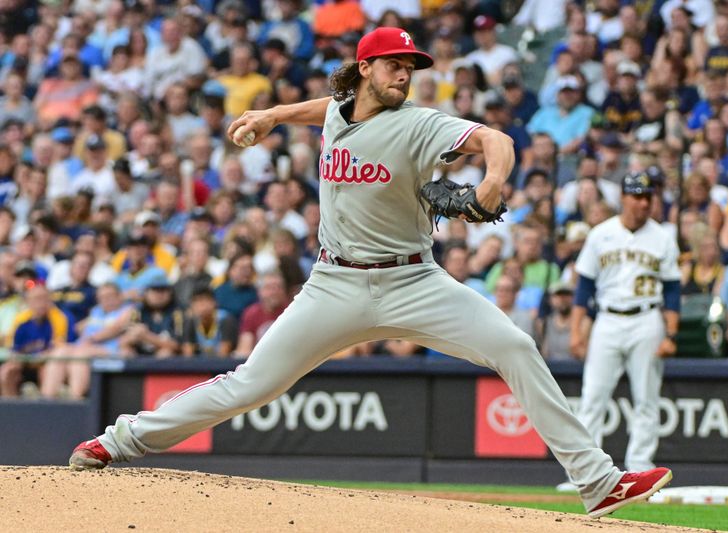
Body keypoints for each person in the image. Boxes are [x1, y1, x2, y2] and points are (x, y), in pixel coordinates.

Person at [69, 27, 671, 519]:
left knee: (515, 345)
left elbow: (496, 138)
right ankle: (119, 440)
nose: (404, 75)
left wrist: (490, 182)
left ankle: (598, 482)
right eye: (391, 65)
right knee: (250, 384)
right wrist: (274, 115)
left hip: (415, 282)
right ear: (364, 70)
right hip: (334, 285)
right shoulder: (337, 113)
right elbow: (325, 112)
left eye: (409, 66)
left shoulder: (417, 123)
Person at [570, 172, 681, 475]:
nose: (644, 202)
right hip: (606, 318)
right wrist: (576, 332)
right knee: (593, 396)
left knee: (647, 398)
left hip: (647, 318)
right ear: (623, 197)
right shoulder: (600, 234)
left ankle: (640, 468)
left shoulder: (662, 237)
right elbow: (584, 289)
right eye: (637, 196)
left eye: (648, 196)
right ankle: (586, 473)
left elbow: (672, 291)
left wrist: (671, 333)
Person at [0, 283, 77, 398]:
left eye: (44, 298)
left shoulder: (59, 318)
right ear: (28, 301)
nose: (41, 303)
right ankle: (11, 407)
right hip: (24, 362)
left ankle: (42, 405)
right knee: (7, 371)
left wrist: (38, 358)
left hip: (45, 362)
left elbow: (59, 348)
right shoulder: (22, 319)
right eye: (36, 299)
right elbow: (13, 347)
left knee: (46, 371)